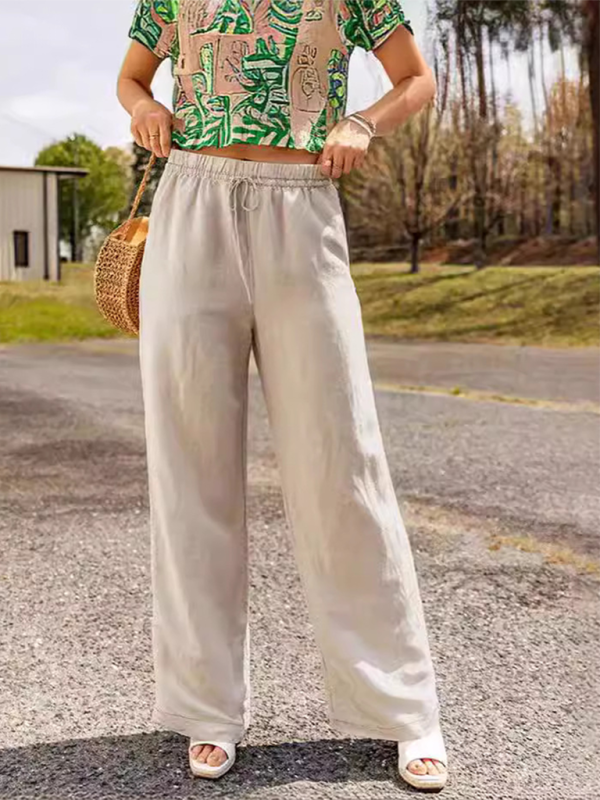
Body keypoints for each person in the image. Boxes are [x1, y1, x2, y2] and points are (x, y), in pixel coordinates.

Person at [117, 0, 448, 790]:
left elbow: (416, 79)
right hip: (191, 203)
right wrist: (145, 109)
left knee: (343, 462)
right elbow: (132, 78)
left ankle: (404, 705)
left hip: (301, 206)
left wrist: (361, 123)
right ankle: (207, 707)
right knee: (190, 468)